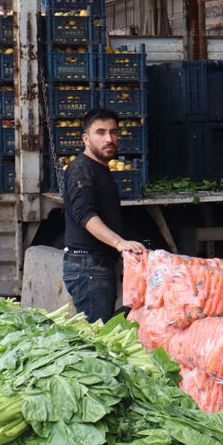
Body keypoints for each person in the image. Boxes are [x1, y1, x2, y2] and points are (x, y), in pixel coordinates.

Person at [62, 108, 144, 322]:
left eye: (114, 132)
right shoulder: (82, 169)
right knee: (97, 338)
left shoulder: (99, 168)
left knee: (102, 330)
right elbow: (85, 215)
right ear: (86, 139)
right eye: (101, 132)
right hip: (88, 267)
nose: (109, 139)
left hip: (96, 266)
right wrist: (119, 243)